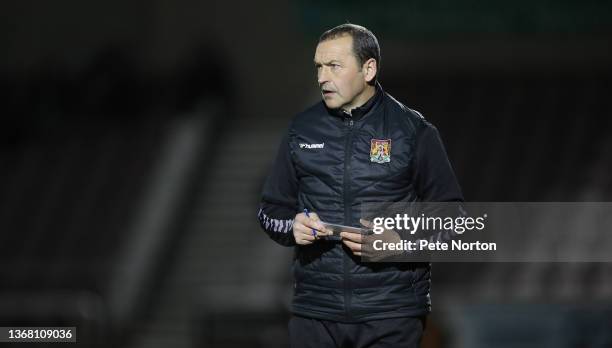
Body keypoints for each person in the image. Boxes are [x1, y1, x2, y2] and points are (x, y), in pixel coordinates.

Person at [257, 23, 463, 348]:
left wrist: (398, 242)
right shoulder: (301, 130)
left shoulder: (414, 132)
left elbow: (453, 219)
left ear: (369, 69)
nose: (322, 76)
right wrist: (292, 225)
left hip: (391, 314)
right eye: (319, 66)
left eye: (334, 66)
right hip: (315, 314)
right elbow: (271, 211)